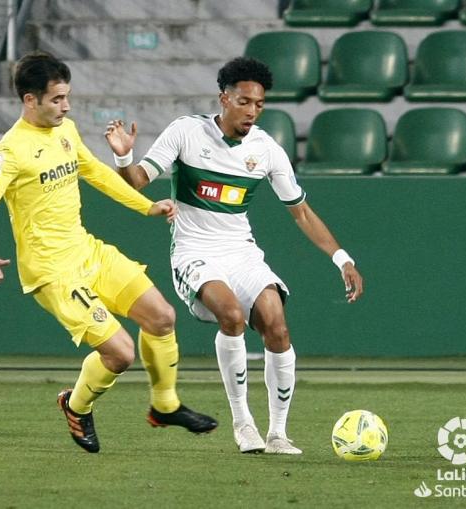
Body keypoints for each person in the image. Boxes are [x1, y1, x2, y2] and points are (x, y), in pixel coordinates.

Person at [104, 56, 364, 454]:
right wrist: (124, 157)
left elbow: (302, 212)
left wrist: (341, 257)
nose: (252, 111)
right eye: (244, 102)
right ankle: (244, 424)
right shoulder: (186, 132)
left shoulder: (266, 150)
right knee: (232, 316)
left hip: (240, 251)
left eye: (259, 104)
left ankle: (277, 433)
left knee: (276, 324)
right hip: (193, 252)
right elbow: (137, 181)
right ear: (223, 98)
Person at [0, 52, 217, 454]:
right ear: (29, 100)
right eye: (56, 99)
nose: (65, 106)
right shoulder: (10, 151)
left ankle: (165, 405)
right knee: (120, 354)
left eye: (67, 97)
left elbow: (96, 173)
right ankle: (75, 405)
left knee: (162, 317)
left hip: (88, 251)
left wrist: (146, 205)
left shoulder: (66, 131)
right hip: (53, 273)